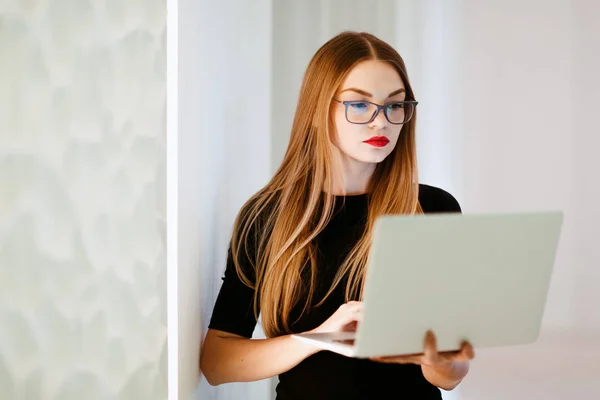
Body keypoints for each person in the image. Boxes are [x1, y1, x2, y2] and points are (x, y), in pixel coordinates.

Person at [200, 31, 474, 399]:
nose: (382, 122)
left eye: (395, 105)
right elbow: (218, 363)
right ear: (317, 109)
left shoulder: (432, 210)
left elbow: (450, 376)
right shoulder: (266, 217)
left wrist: (439, 361)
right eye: (359, 105)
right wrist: (320, 339)